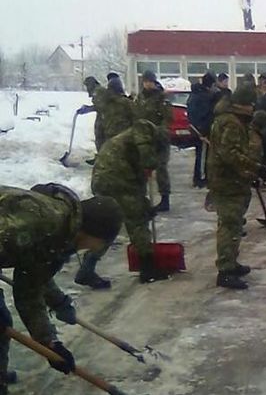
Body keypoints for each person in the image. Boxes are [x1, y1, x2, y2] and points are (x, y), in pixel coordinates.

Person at [0, 183, 123, 395]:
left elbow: (30, 282)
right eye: (98, 244)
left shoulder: (62, 234)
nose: (93, 249)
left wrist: (49, 341)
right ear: (92, 231)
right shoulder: (42, 223)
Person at [91, 119, 170, 284]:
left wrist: (144, 201)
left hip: (105, 178)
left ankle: (87, 267)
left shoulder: (132, 141)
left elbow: (138, 180)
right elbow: (147, 160)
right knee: (137, 219)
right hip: (116, 178)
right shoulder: (144, 130)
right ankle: (147, 268)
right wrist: (152, 162)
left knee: (110, 224)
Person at [207, 84, 262, 290]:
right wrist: (251, 167)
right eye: (251, 104)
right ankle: (225, 270)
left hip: (232, 180)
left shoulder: (233, 120)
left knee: (235, 223)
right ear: (244, 104)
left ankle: (231, 261)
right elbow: (229, 154)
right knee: (229, 224)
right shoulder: (231, 122)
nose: (253, 108)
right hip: (227, 181)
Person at [135, 71, 173, 212]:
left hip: (160, 139)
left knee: (161, 168)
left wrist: (159, 130)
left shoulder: (161, 98)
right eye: (146, 81)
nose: (148, 84)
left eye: (150, 82)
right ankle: (142, 198)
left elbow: (168, 118)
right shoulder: (140, 98)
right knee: (142, 168)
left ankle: (165, 199)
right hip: (144, 139)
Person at [186, 72, 219, 188]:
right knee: (202, 154)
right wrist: (203, 131)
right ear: (211, 84)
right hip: (201, 131)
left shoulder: (195, 94)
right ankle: (200, 178)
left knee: (201, 154)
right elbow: (205, 115)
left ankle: (200, 177)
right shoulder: (204, 97)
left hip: (196, 128)